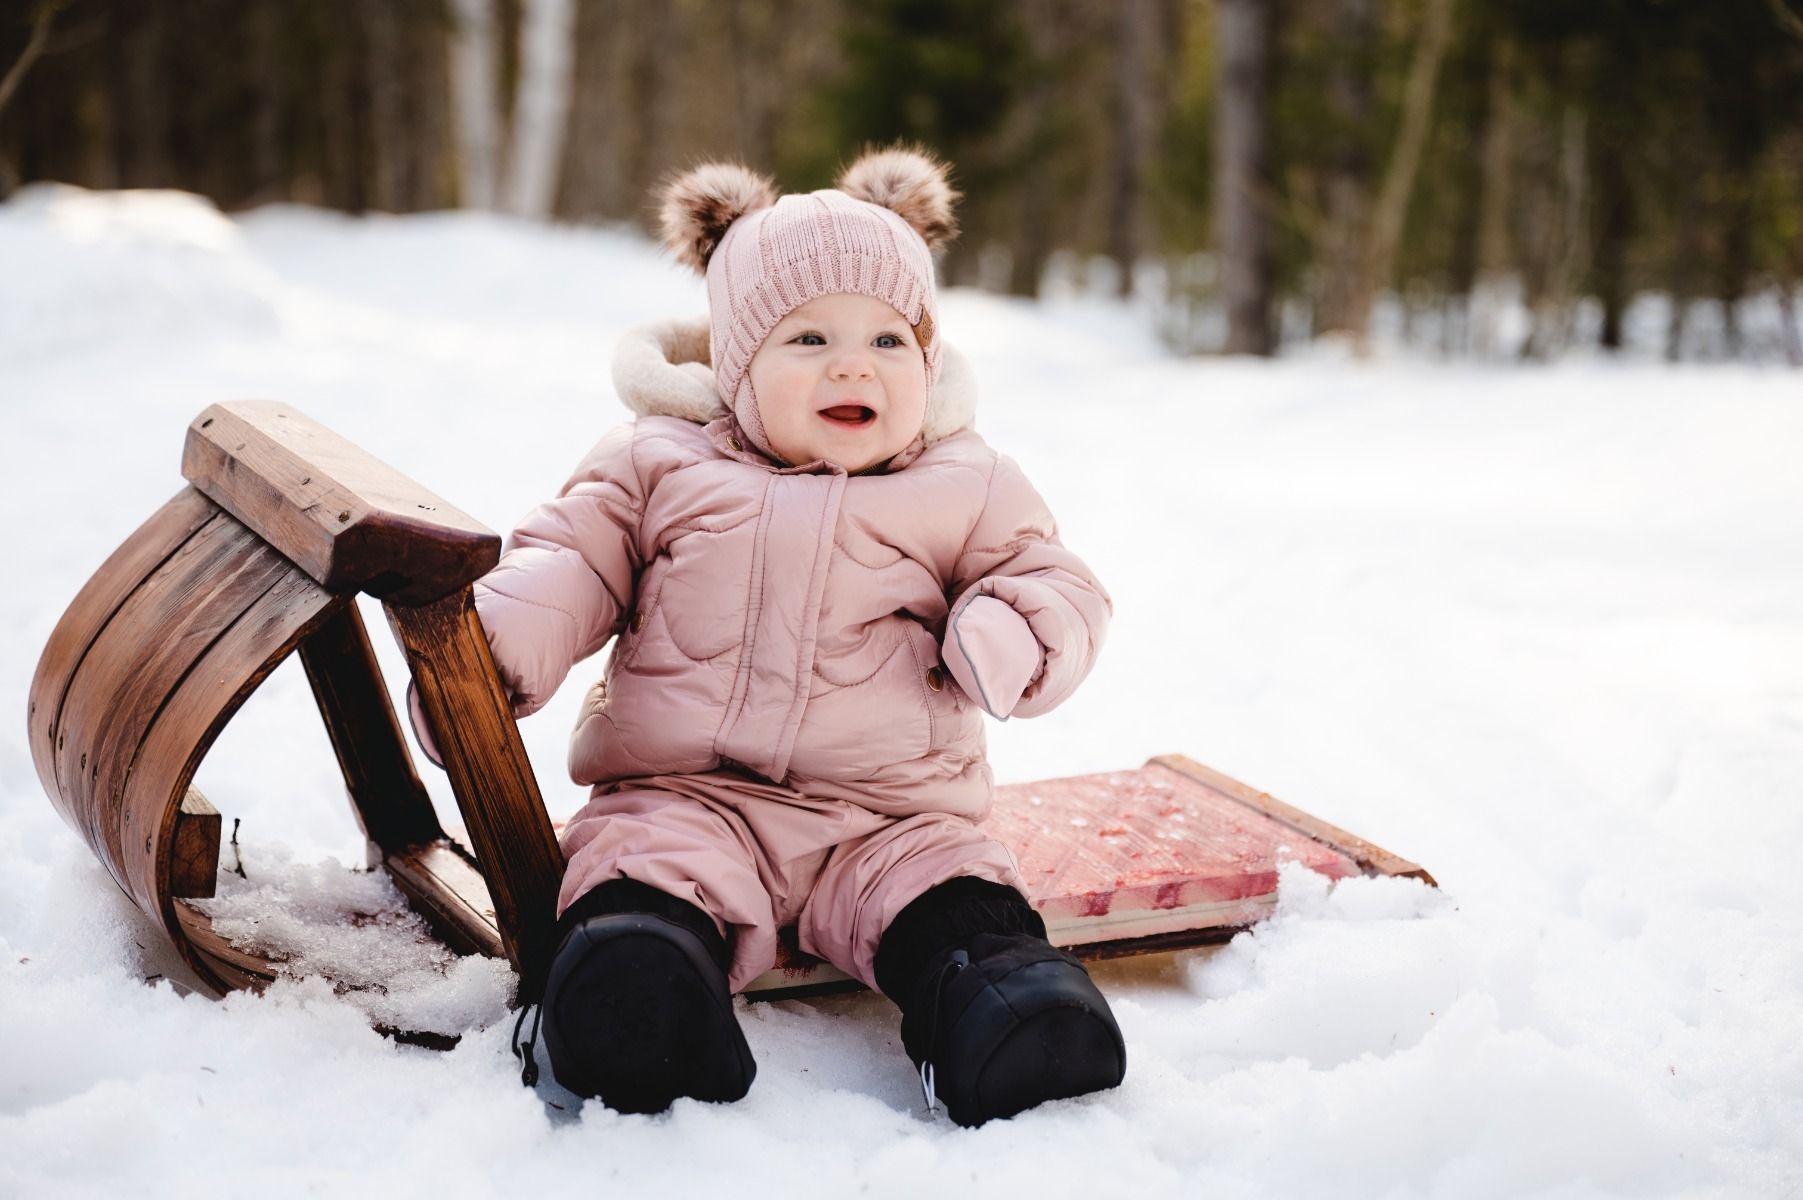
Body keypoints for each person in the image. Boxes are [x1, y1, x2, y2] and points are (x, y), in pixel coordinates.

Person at [450, 147, 1123, 1126]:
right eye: (808, 339)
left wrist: (1012, 628)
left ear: (927, 363)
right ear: (736, 364)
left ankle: (1002, 1009)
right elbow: (574, 556)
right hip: (690, 799)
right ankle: (637, 994)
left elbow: (1051, 578)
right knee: (637, 879)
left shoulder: (965, 480)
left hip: (889, 815)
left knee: (954, 892)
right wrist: (503, 640)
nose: (853, 364)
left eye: (889, 342)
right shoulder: (657, 461)